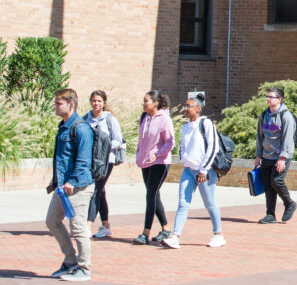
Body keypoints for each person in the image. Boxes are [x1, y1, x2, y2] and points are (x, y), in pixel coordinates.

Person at [162, 95, 225, 249]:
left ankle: (218, 234)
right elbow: (183, 146)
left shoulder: (206, 124)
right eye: (185, 105)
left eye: (188, 106)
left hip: (205, 172)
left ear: (198, 108)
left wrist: (204, 169)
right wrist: (185, 158)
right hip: (188, 171)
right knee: (183, 203)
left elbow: (213, 147)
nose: (185, 108)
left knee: (209, 204)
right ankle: (175, 236)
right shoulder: (185, 127)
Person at [45, 88, 94, 281]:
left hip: (78, 186)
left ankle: (84, 268)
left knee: (78, 227)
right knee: (52, 221)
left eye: (59, 103)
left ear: (70, 105)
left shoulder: (81, 128)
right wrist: (56, 180)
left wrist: (72, 181)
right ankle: (70, 261)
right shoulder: (63, 126)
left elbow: (84, 161)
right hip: (62, 187)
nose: (55, 106)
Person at [134, 90, 175, 245]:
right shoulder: (144, 117)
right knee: (154, 195)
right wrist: (140, 155)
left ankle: (145, 233)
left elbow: (170, 142)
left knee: (150, 195)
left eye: (146, 101)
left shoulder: (164, 119)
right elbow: (141, 140)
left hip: (160, 162)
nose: (143, 103)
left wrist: (157, 154)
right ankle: (165, 229)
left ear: (155, 103)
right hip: (145, 162)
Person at [254, 86, 297, 224]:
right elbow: (260, 136)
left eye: (271, 97)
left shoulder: (286, 116)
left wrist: (282, 158)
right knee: (268, 184)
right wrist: (258, 155)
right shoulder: (264, 115)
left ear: (279, 99)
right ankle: (270, 214)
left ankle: (289, 203)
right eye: (267, 97)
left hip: (281, 157)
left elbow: (288, 139)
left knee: (276, 181)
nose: (268, 99)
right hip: (267, 155)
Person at [84, 90, 124, 238]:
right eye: (94, 101)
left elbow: (118, 140)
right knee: (100, 193)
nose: (96, 103)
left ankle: (88, 225)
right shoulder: (86, 119)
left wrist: (103, 146)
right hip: (91, 162)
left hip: (107, 161)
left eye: (99, 101)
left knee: (95, 190)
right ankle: (106, 226)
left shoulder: (110, 119)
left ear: (104, 103)